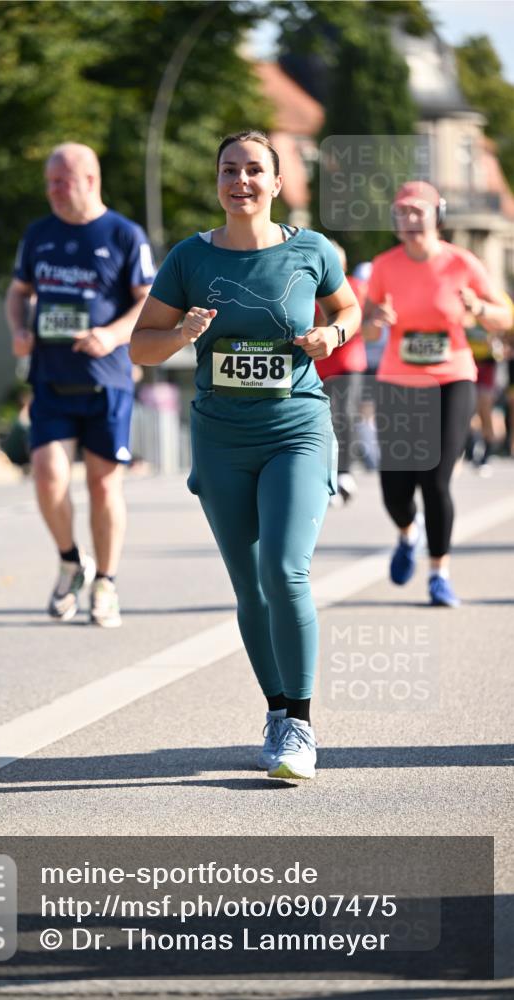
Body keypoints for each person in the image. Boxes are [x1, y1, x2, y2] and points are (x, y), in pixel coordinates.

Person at [130, 130, 361, 781]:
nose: (241, 181)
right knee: (250, 586)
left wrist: (331, 334)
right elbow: (139, 349)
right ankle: (276, 709)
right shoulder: (189, 258)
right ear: (217, 181)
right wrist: (179, 333)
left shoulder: (311, 250)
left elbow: (349, 307)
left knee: (285, 571)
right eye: (229, 170)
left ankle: (299, 725)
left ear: (276, 182)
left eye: (254, 170)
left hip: (296, 430)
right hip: (221, 438)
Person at [5, 143, 155, 628]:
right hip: (51, 376)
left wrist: (111, 335)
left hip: (106, 381)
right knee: (48, 476)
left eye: (59, 181)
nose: (51, 191)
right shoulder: (38, 234)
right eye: (49, 182)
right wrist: (19, 331)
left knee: (102, 482)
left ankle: (106, 582)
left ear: (89, 179)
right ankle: (71, 560)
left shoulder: (124, 234)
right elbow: (18, 292)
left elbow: (148, 302)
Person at [361, 180, 511, 607]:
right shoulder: (385, 265)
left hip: (452, 378)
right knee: (394, 489)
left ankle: (439, 574)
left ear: (436, 215)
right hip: (398, 381)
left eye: (417, 211)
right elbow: (368, 324)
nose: (409, 220)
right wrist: (378, 320)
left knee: (436, 479)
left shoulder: (462, 263)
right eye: (401, 213)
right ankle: (408, 535)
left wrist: (479, 309)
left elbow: (505, 315)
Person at [314, 243, 368, 503]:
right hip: (317, 364)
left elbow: (362, 321)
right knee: (321, 420)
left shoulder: (354, 287)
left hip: (348, 362)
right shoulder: (310, 288)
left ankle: (345, 471)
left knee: (343, 413)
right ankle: (324, 473)